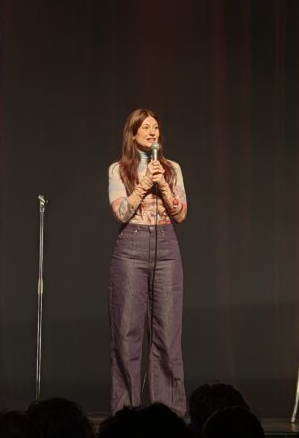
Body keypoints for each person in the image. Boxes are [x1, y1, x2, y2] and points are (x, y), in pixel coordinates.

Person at [107, 108, 188, 415]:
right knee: (127, 333)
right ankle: (126, 413)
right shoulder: (118, 170)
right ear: (133, 134)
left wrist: (163, 185)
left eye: (156, 126)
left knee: (167, 335)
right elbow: (121, 213)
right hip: (130, 247)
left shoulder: (172, 168)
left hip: (166, 246)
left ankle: (167, 414)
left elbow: (180, 215)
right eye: (146, 127)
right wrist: (143, 185)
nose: (153, 132)